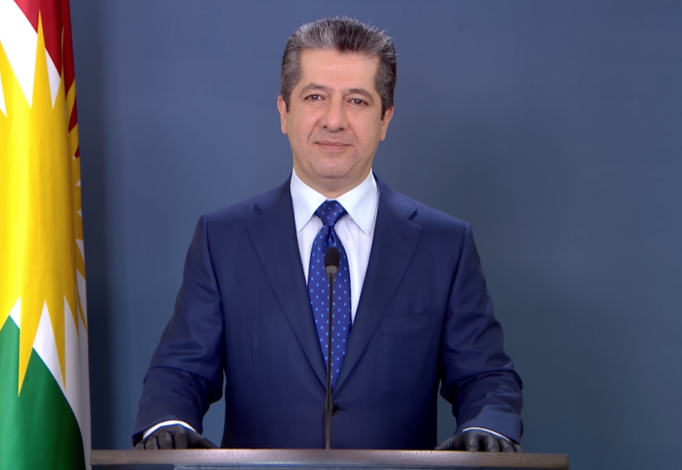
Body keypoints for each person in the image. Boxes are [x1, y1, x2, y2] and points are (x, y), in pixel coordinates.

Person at [133, 17, 523, 452]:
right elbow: (181, 371)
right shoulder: (222, 240)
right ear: (284, 111)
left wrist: (489, 428)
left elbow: (485, 377)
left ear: (385, 119)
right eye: (315, 97)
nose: (334, 120)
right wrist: (168, 422)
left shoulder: (444, 246)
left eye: (356, 101)